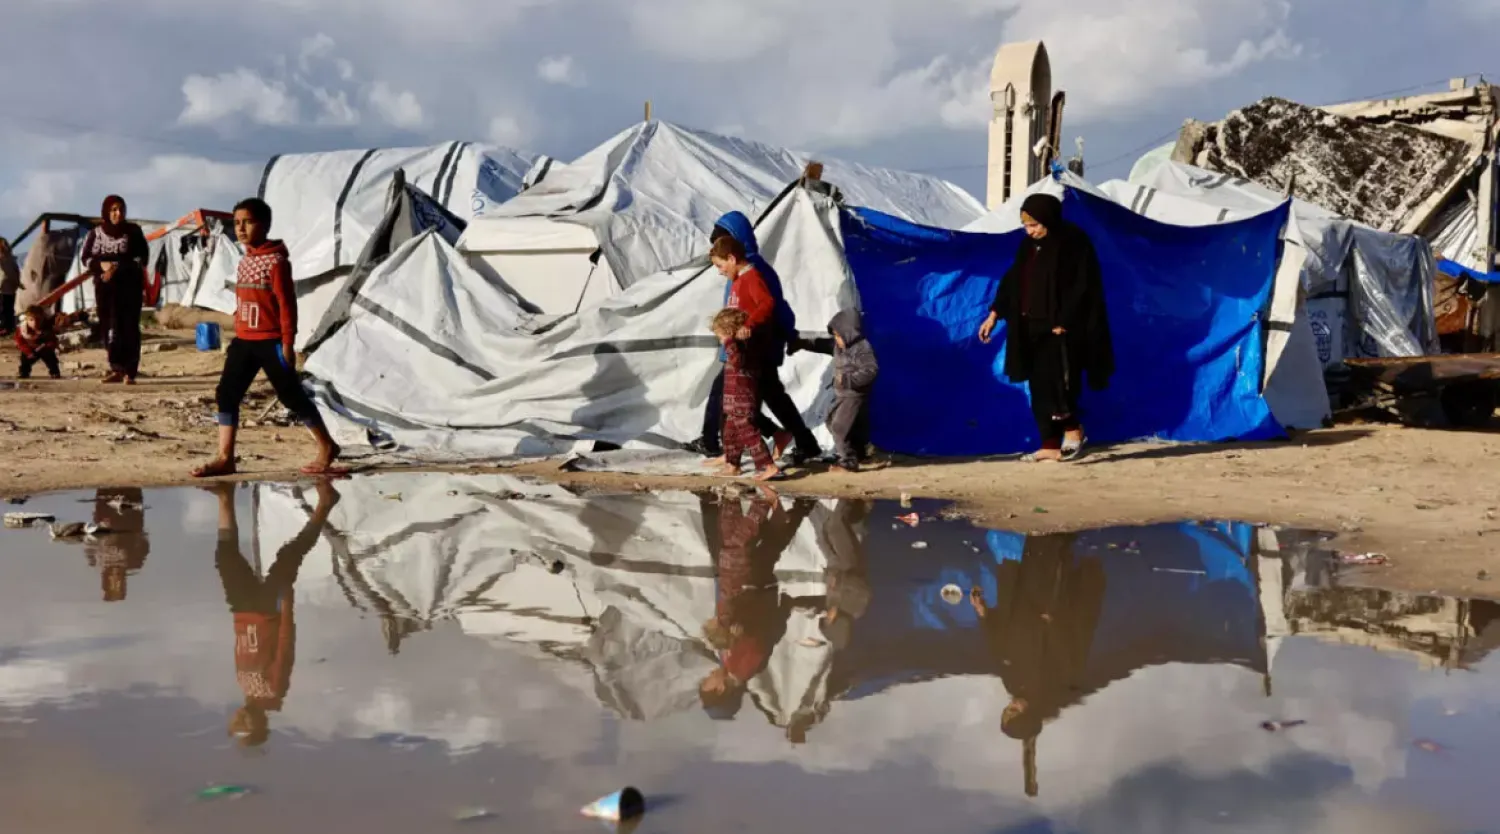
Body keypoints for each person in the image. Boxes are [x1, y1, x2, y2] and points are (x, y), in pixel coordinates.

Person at [191, 198, 343, 478]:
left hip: (271, 340)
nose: (241, 228)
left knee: (291, 396)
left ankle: (327, 446)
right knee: (227, 394)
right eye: (236, 223)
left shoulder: (277, 262)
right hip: (245, 339)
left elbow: (287, 305)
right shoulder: (245, 260)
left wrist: (287, 343)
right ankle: (226, 457)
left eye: (247, 222)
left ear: (264, 225)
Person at [978, 194, 1113, 463]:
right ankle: (1049, 444)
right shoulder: (1028, 247)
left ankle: (1074, 431)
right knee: (1038, 386)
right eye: (1026, 226)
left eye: (1035, 225)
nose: (1030, 231)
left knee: (1060, 385)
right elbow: (1013, 281)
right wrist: (994, 314)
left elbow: (1083, 286)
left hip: (1062, 328)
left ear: (1049, 219)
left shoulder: (1072, 242)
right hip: (1030, 327)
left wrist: (1065, 320)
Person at [209, 479, 339, 748]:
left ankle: (225, 497)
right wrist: (287, 608)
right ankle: (324, 506)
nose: (238, 721)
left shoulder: (245, 689)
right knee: (289, 555)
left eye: (236, 725)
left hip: (242, 611)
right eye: (244, 727)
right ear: (258, 725)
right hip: (269, 610)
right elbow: (284, 649)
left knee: (225, 558)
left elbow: (241, 648)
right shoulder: (273, 692)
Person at [689, 211, 821, 465]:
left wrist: (788, 334)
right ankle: (798, 441)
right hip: (745, 346)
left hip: (757, 347)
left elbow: (774, 305)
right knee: (758, 397)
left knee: (730, 396)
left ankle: (717, 445)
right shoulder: (739, 272)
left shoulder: (754, 270)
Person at [796, 309, 879, 472]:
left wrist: (848, 380)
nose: (836, 339)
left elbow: (871, 370)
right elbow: (819, 344)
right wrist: (801, 343)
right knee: (832, 420)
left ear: (849, 333)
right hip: (842, 395)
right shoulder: (839, 347)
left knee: (840, 427)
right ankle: (857, 453)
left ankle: (848, 462)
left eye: (838, 335)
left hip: (853, 395)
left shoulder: (862, 349)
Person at [78, 195, 149, 384]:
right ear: (106, 212)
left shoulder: (133, 231)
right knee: (109, 328)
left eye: (121, 209)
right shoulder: (96, 233)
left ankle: (130, 372)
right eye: (114, 209)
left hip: (129, 289)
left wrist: (116, 267)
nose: (118, 213)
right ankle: (116, 368)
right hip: (106, 291)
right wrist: (102, 266)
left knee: (129, 329)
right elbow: (85, 258)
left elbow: (142, 258)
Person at [709, 307, 781, 481]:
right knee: (729, 433)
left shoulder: (740, 344)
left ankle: (768, 465)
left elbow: (737, 361)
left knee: (749, 433)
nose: (721, 341)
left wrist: (728, 342)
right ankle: (733, 465)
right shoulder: (740, 343)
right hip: (732, 398)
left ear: (728, 331)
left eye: (721, 336)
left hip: (741, 397)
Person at [14, 306, 61, 380]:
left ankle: (55, 372)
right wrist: (28, 352)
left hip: (44, 348)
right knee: (24, 359)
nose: (35, 323)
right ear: (26, 319)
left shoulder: (47, 328)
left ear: (43, 319)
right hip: (30, 349)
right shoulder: (22, 329)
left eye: (38, 319)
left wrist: (49, 345)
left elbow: (53, 340)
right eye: (31, 320)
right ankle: (24, 372)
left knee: (51, 358)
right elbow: (20, 343)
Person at [0, 238, 19, 336]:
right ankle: (7, 327)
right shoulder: (10, 259)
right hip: (7, 287)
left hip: (6, 288)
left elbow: (14, 272)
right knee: (7, 309)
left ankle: (7, 327)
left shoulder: (8, 259)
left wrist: (17, 282)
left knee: (6, 309)